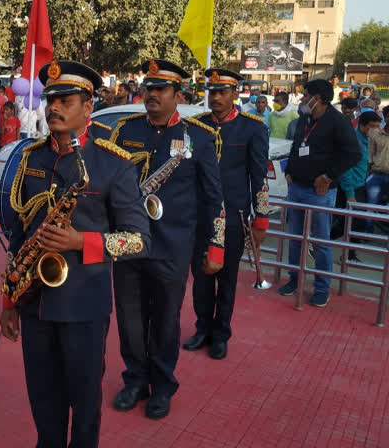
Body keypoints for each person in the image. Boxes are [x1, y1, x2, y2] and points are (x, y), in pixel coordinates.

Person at [0, 60, 150, 447]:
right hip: (35, 301)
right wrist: (9, 298)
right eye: (50, 99)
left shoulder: (113, 162)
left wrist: (81, 242)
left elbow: (139, 240)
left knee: (84, 401)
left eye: (65, 100)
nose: (54, 108)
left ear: (88, 106)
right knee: (43, 397)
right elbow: (17, 235)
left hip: (84, 304)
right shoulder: (30, 157)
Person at [109, 60, 225, 419]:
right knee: (129, 318)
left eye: (161, 89)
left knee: (164, 319)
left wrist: (215, 246)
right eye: (149, 88)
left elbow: (213, 198)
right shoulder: (125, 132)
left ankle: (161, 385)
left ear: (178, 95)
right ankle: (134, 380)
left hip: (172, 246)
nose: (152, 94)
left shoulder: (200, 138)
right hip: (128, 244)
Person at [182, 69, 269, 360]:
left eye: (222, 92)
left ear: (235, 94)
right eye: (212, 91)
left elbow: (259, 177)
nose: (215, 97)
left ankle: (221, 334)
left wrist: (261, 219)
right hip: (198, 214)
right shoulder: (195, 126)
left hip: (232, 215)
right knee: (201, 276)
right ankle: (202, 328)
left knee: (227, 278)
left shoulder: (252, 128)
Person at [279, 79, 361, 307]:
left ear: (320, 99)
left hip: (320, 193)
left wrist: (328, 176)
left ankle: (321, 288)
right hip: (296, 188)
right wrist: (290, 171)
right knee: (295, 239)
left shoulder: (338, 121)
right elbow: (297, 146)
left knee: (320, 243)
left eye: (307, 95)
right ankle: (294, 279)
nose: (303, 99)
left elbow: (353, 154)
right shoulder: (304, 118)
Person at [331, 110, 381, 261]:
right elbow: (346, 169)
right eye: (373, 126)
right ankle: (318, 242)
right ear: (363, 126)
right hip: (350, 187)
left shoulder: (370, 140)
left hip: (361, 185)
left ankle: (348, 254)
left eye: (378, 126)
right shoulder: (353, 141)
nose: (376, 130)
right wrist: (350, 194)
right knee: (350, 222)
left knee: (353, 223)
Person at [365, 105, 389, 233]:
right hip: (376, 175)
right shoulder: (375, 134)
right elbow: (370, 156)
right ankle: (368, 234)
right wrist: (367, 175)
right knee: (370, 205)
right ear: (385, 117)